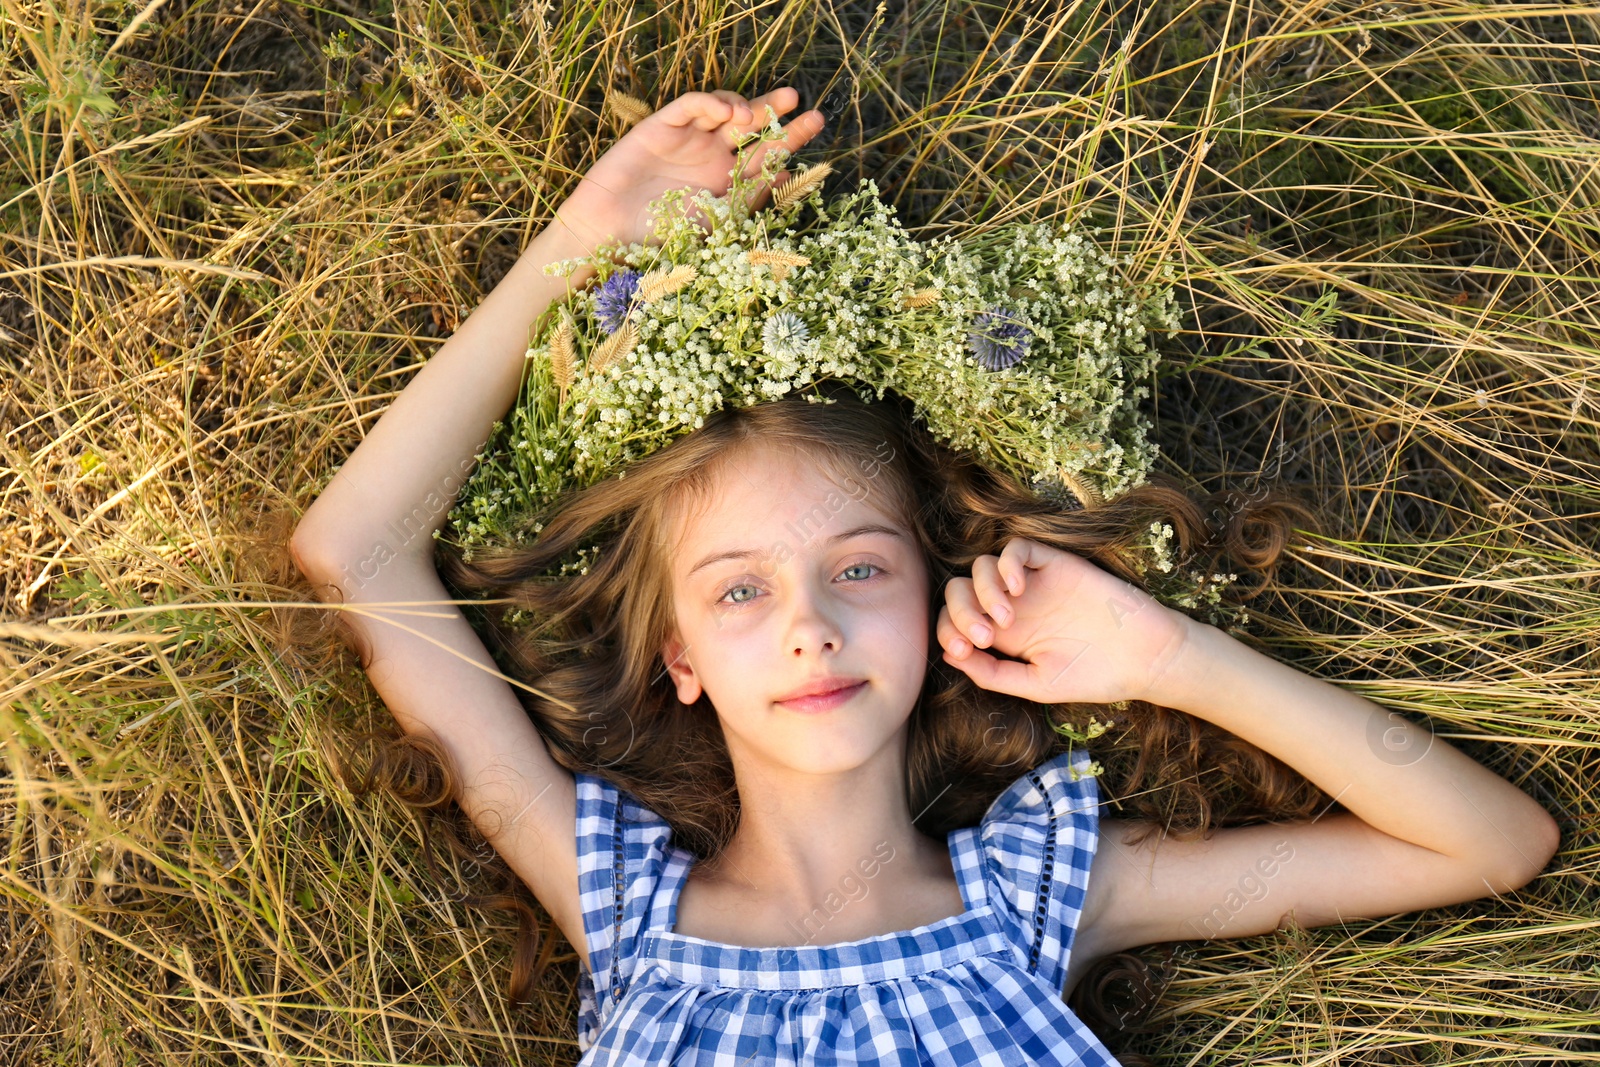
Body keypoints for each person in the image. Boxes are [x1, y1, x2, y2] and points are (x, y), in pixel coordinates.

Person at [289, 86, 1561, 1065]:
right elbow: (356, 553)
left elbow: (1490, 841)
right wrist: (588, 237)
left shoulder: (1042, 891)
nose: (810, 627)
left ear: (928, 590)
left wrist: (1163, 656)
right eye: (738, 589)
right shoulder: (611, 894)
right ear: (676, 654)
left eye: (858, 566)